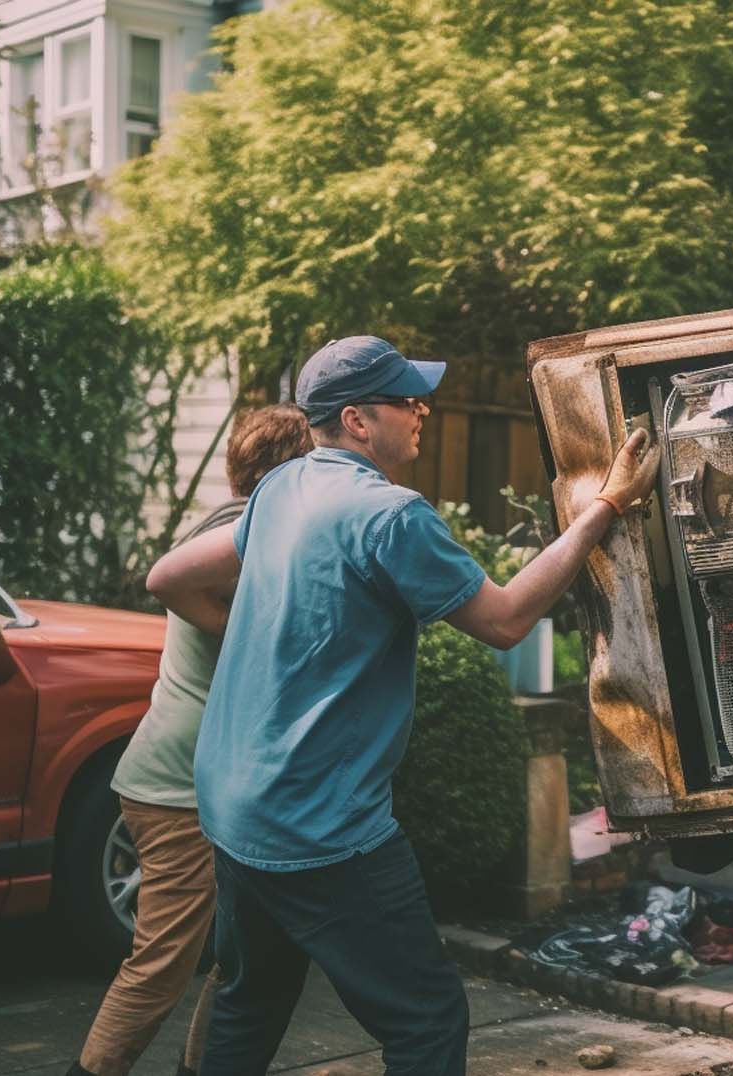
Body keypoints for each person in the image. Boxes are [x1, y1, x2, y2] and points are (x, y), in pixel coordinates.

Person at [146, 335, 659, 1076]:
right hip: (318, 824)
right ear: (357, 419)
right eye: (405, 397)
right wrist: (605, 506)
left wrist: (274, 635)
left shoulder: (282, 489)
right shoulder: (391, 516)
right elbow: (507, 618)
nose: (422, 408)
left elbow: (170, 578)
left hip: (233, 804)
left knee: (250, 999)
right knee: (427, 1021)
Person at [70, 405, 314, 1076]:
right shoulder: (244, 541)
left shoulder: (221, 527)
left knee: (240, 957)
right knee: (160, 965)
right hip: (180, 782)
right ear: (289, 472)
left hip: (202, 776)